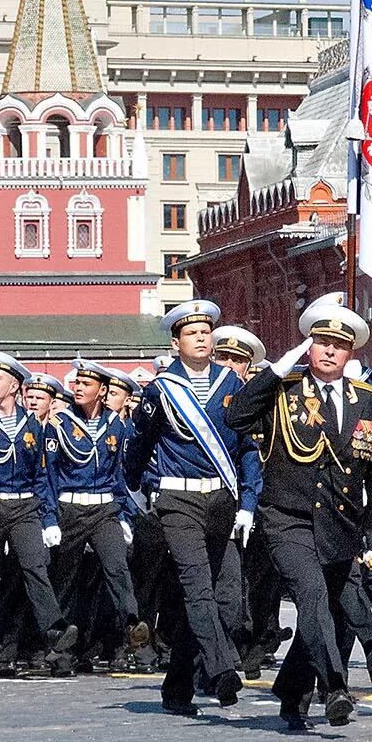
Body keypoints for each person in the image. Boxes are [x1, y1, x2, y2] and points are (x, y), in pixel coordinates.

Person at [227, 297, 372, 731]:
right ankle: (336, 686)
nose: (330, 351)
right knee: (313, 600)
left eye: (339, 344)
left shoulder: (370, 400)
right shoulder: (283, 390)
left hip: (339, 522)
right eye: (321, 342)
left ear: (350, 351)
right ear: (308, 347)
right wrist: (276, 370)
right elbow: (236, 415)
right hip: (288, 517)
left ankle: (292, 693)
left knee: (323, 615)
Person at [125, 300, 262, 715]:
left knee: (228, 603)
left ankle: (177, 685)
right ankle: (220, 672)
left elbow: (247, 450)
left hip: (222, 500)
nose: (202, 337)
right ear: (175, 342)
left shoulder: (232, 385)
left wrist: (248, 503)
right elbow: (139, 448)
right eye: (192, 332)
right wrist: (143, 490)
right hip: (178, 500)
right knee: (197, 587)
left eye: (206, 331)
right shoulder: (160, 390)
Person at [0, 352, 76, 680]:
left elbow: (41, 475)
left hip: (25, 505)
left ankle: (54, 630)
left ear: (14, 385)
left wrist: (48, 517)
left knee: (35, 567)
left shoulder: (32, 424)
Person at [46, 359, 149, 669]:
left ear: (102, 391)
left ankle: (133, 629)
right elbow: (49, 477)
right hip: (70, 507)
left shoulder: (117, 426)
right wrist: (50, 518)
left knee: (117, 568)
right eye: (77, 383)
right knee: (66, 579)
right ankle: (62, 649)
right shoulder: (60, 424)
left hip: (105, 507)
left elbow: (122, 476)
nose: (78, 388)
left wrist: (125, 516)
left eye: (86, 384)